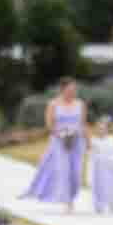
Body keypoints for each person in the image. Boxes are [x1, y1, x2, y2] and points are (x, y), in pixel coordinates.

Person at [21, 78, 87, 213]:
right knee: (63, 170)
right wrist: (61, 134)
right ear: (63, 89)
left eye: (74, 90)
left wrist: (89, 143)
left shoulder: (80, 104)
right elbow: (50, 125)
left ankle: (71, 196)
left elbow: (82, 124)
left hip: (77, 142)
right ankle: (67, 202)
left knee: (75, 172)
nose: (73, 92)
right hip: (59, 142)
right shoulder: (53, 104)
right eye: (70, 89)